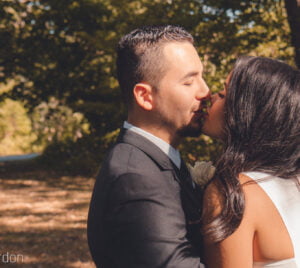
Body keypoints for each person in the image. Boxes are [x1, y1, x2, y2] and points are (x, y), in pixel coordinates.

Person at [87, 25, 210, 267]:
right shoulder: (136, 176)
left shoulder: (156, 159)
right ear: (145, 96)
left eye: (202, 77)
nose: (205, 91)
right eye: (189, 82)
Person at [201, 56, 300, 267]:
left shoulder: (234, 193)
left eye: (225, 93)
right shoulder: (293, 184)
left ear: (247, 112)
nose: (212, 96)